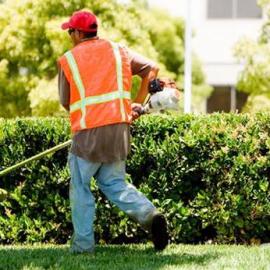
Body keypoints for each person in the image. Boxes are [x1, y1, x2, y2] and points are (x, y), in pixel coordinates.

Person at [58, 10, 168, 254]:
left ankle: (83, 247)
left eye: (69, 31)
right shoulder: (119, 50)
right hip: (119, 130)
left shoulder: (70, 59)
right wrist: (134, 105)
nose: (69, 36)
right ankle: (150, 215)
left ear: (77, 33)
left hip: (87, 135)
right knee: (115, 183)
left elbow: (66, 101)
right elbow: (152, 68)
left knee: (80, 187)